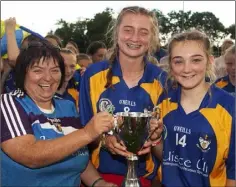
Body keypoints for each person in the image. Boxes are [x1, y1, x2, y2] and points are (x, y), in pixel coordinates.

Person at [1, 40, 117, 187]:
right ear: (23, 73)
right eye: (37, 70)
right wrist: (88, 133)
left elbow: (75, 152)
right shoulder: (9, 102)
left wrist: (98, 183)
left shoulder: (67, 106)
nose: (48, 77)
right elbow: (30, 155)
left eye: (55, 70)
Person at [79, 6, 166, 187]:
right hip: (99, 177)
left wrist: (155, 136)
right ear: (116, 33)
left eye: (143, 32)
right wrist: (105, 139)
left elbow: (166, 144)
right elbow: (82, 134)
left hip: (146, 179)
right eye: (128, 30)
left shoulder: (163, 80)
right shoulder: (93, 75)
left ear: (152, 39)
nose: (134, 38)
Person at [151, 30, 235, 187]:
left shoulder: (229, 107)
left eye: (195, 60)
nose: (187, 69)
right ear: (170, 64)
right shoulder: (164, 102)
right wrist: (155, 139)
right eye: (178, 61)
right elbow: (167, 158)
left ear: (210, 61)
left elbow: (233, 172)